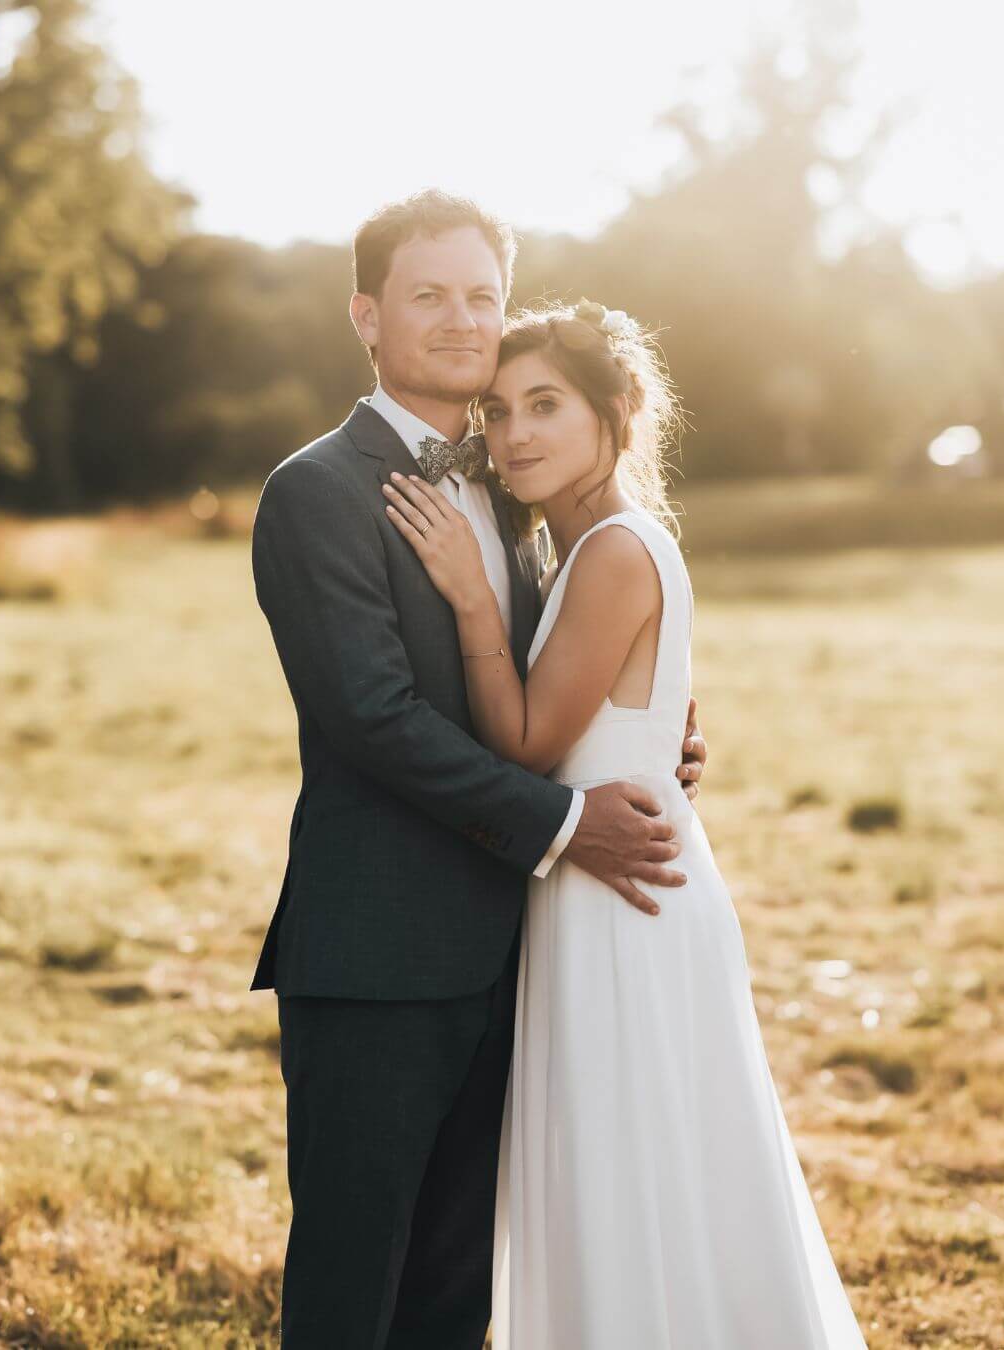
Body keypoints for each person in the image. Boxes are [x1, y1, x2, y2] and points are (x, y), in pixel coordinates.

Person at [247, 190, 707, 1348]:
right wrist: (565, 820)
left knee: (459, 1291)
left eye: (483, 297)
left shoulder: (516, 489)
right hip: (378, 954)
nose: (462, 321)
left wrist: (641, 743)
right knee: (356, 1284)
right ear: (366, 313)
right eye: (428, 296)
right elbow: (377, 719)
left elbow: (545, 683)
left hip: (520, 953)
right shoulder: (316, 492)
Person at [383, 297, 869, 1348]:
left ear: (620, 410)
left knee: (636, 1171)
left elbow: (520, 742)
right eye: (500, 410)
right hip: (602, 889)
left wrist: (470, 599)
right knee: (641, 1174)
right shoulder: (589, 549)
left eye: (546, 405)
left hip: (626, 904)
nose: (514, 435)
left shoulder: (610, 551)